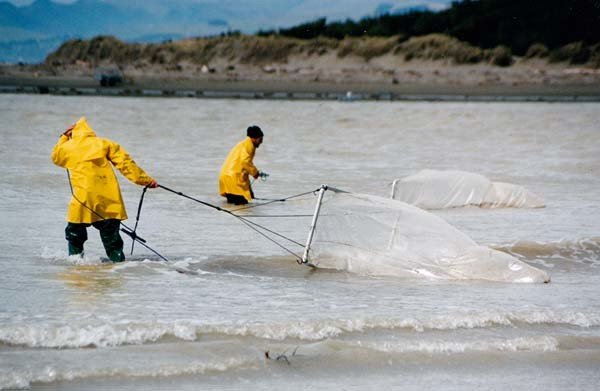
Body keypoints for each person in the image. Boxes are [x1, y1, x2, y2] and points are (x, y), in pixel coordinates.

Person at [51, 117, 158, 262]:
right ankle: (119, 266)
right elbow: (126, 165)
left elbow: (56, 157)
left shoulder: (67, 147)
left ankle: (75, 265)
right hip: (109, 200)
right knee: (112, 240)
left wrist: (64, 136)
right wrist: (146, 181)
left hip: (83, 200)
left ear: (73, 133)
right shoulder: (104, 143)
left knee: (75, 235)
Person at [219, 125, 267, 205]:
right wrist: (255, 173)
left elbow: (243, 169)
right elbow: (245, 162)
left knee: (233, 208)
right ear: (254, 138)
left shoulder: (242, 144)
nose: (261, 142)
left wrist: (249, 190)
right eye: (260, 139)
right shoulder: (249, 146)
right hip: (233, 179)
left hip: (225, 178)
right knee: (242, 208)